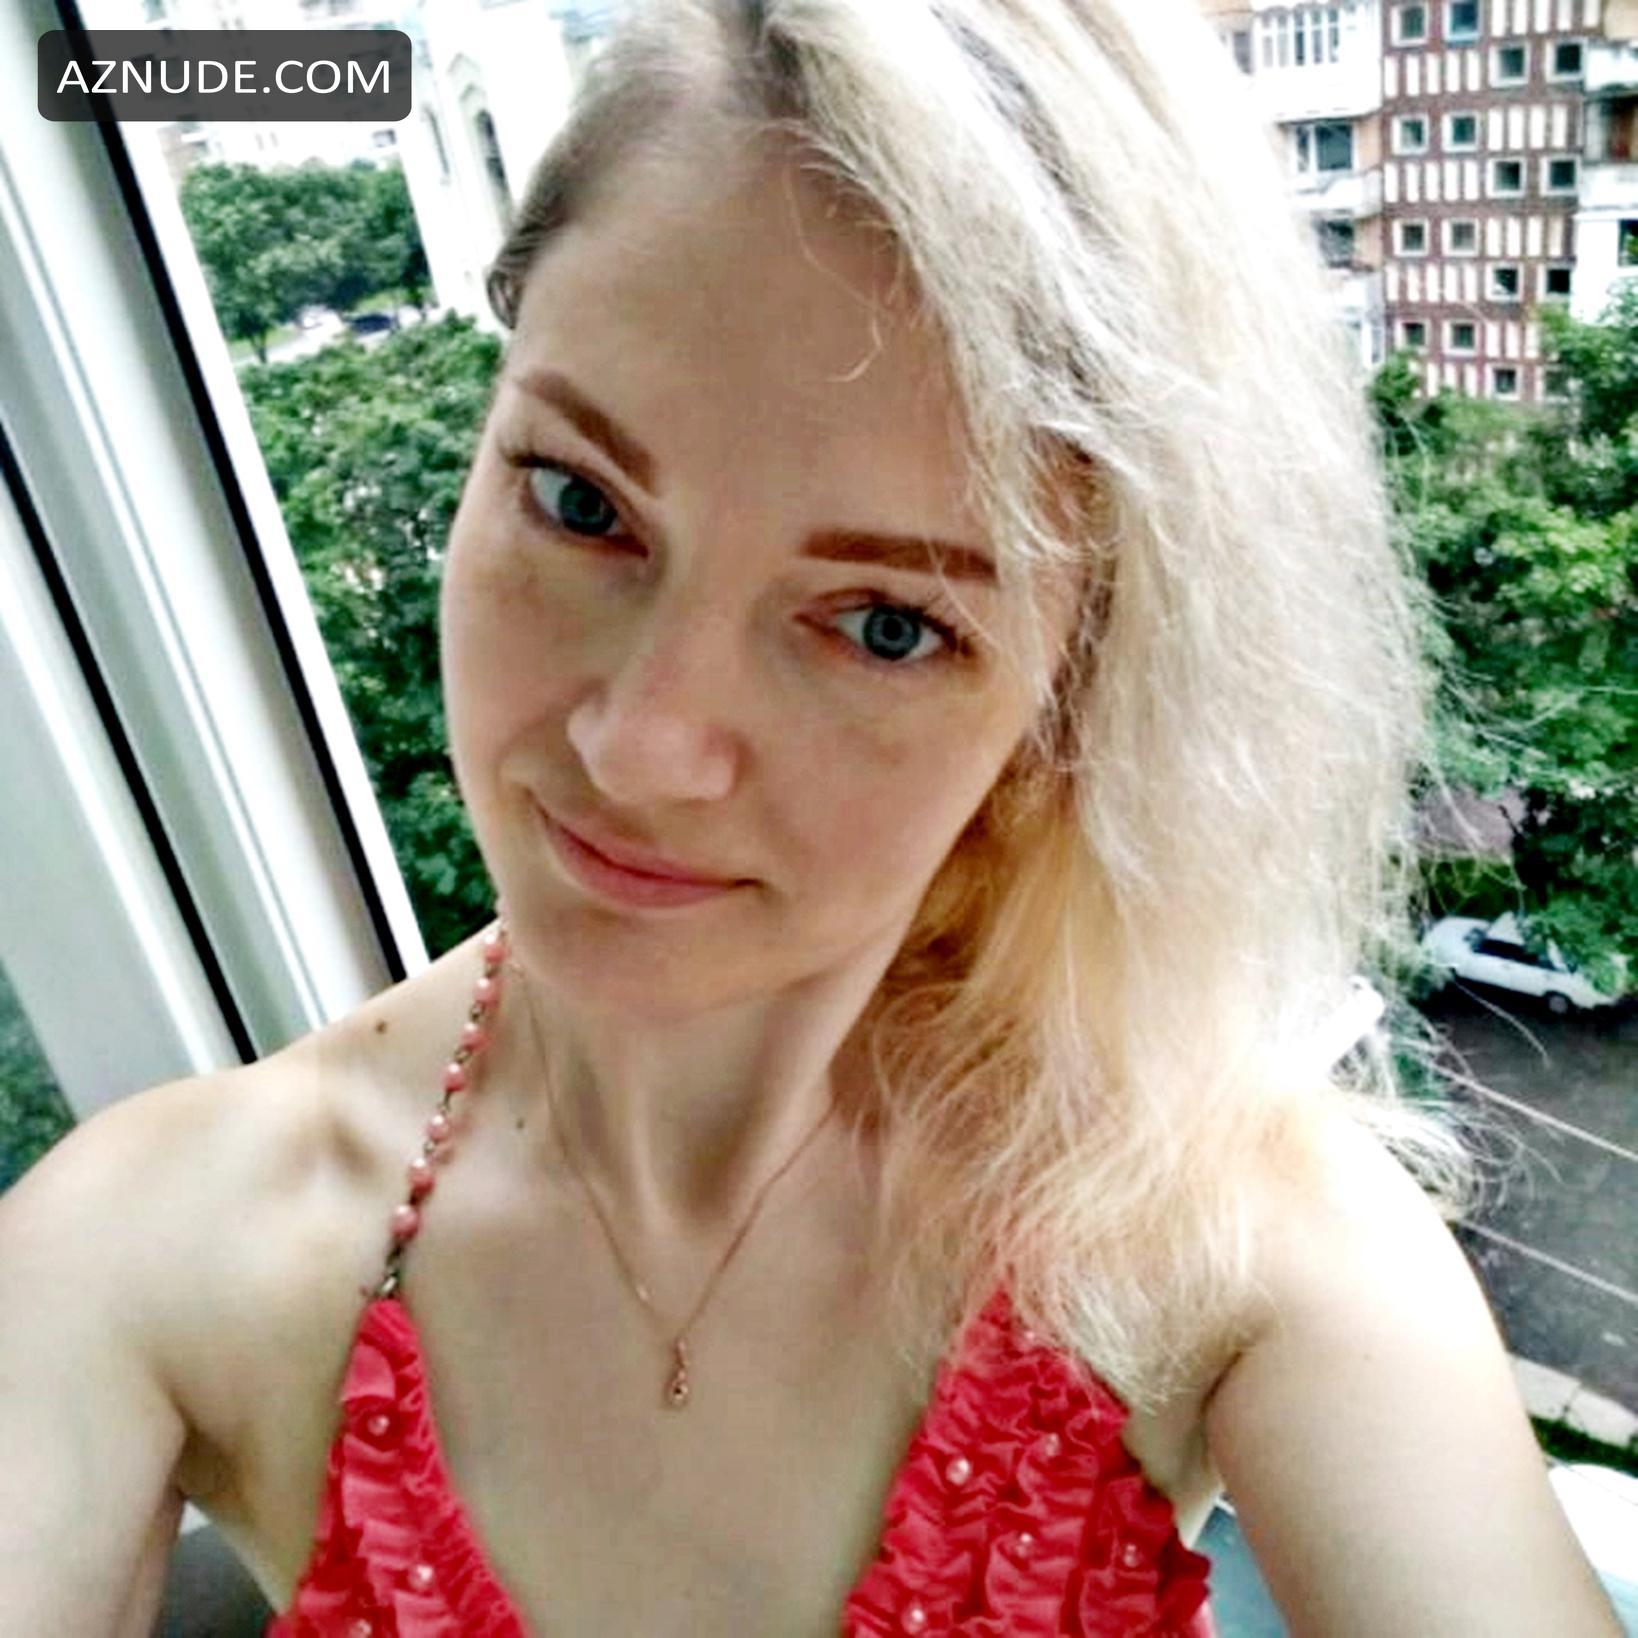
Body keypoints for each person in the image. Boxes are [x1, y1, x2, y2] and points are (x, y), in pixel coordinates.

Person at [0, 0, 1624, 1633]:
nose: (640, 746)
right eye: (579, 502)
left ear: (1065, 712)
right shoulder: (154, 1254)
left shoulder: (1220, 1226)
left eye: (885, 625)